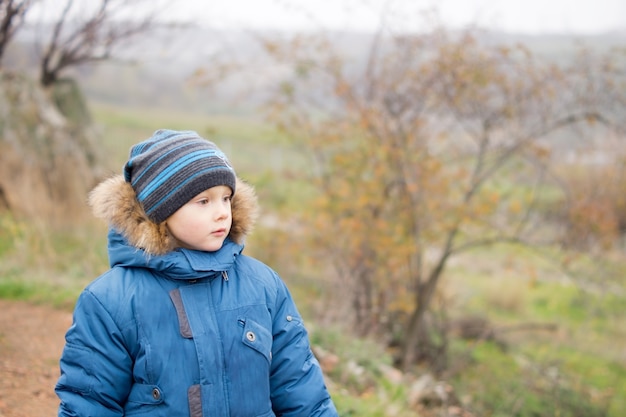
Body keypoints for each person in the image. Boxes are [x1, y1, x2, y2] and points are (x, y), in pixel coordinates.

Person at [55, 129, 339, 416]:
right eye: (203, 201)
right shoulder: (110, 301)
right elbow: (90, 403)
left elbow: (302, 391)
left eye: (226, 198)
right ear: (160, 212)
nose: (221, 213)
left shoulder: (264, 286)